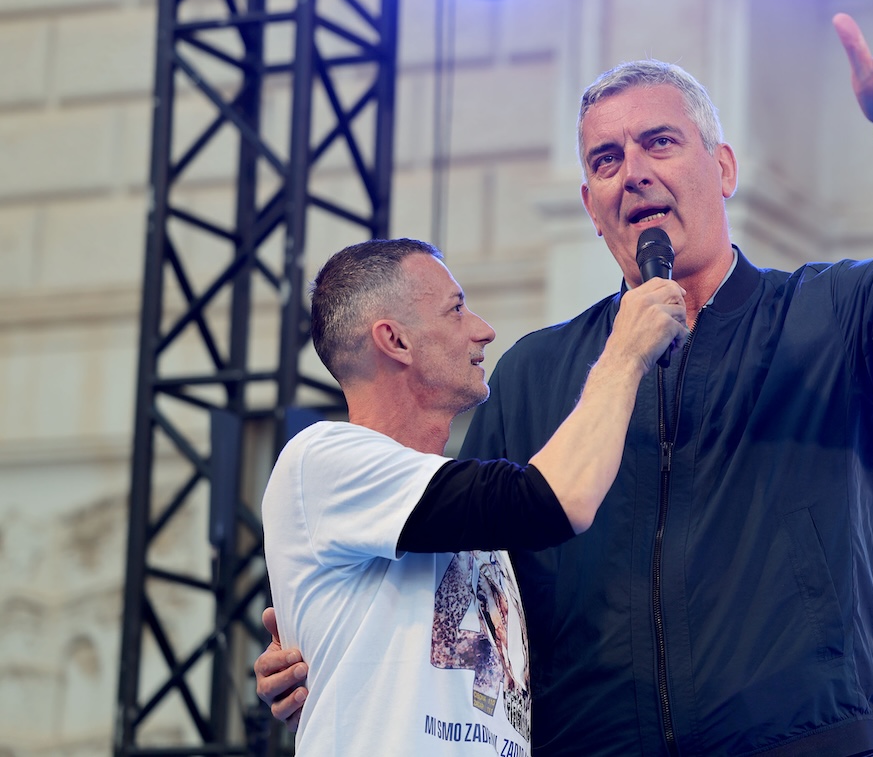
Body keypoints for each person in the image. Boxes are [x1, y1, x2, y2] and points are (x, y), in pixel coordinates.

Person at [257, 13, 873, 756]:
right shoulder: (536, 373)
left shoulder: (830, 315)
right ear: (591, 206)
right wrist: (328, 640)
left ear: (724, 169)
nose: (635, 171)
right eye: (606, 159)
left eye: (660, 142)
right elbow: (469, 582)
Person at [260, 238, 686, 755]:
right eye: (456, 309)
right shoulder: (321, 458)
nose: (484, 329)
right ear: (395, 340)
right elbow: (553, 501)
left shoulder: (458, 520)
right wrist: (625, 354)